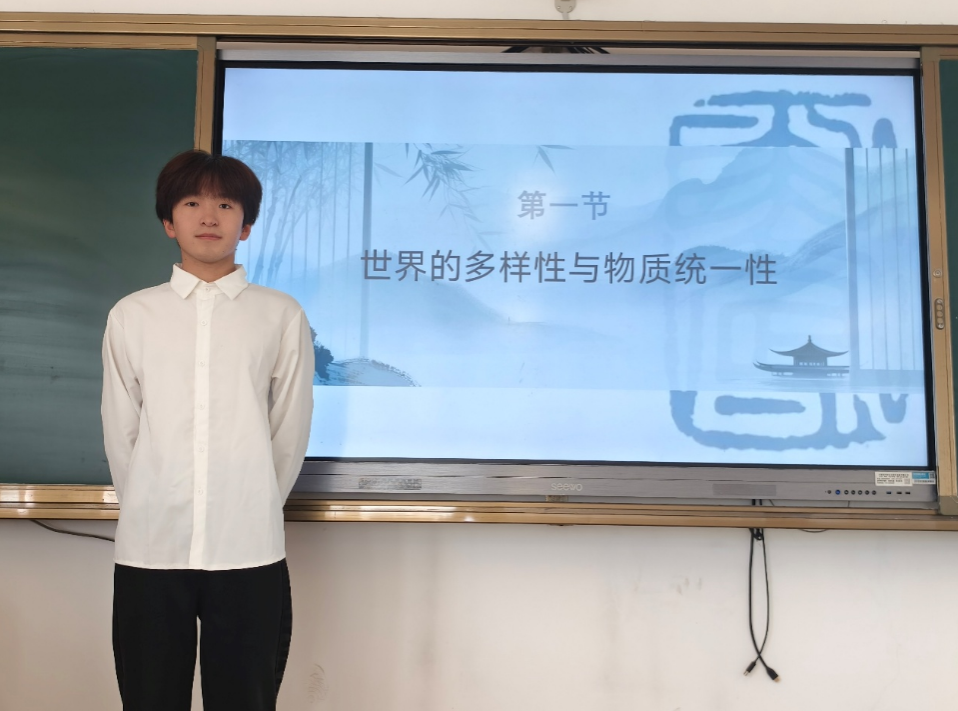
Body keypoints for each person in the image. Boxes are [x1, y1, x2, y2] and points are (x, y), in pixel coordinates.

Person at [101, 149, 314, 711]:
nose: (209, 216)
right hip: (152, 546)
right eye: (192, 203)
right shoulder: (132, 315)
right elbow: (121, 429)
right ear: (169, 222)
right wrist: (146, 503)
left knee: (245, 698)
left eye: (225, 204)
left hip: (248, 546)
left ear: (246, 225)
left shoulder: (280, 314)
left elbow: (289, 427)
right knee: (149, 697)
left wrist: (254, 503)